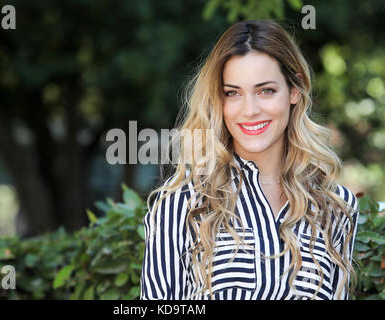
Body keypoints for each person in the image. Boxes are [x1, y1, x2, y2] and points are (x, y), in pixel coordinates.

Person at [139, 20, 359, 300]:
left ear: (294, 90)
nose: (250, 110)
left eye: (266, 90)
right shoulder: (182, 204)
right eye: (233, 93)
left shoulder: (335, 208)